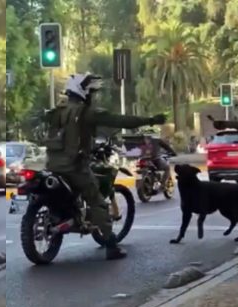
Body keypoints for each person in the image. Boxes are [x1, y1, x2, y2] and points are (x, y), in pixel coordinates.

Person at [44, 72, 167, 260]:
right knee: (98, 202)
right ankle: (111, 246)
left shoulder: (56, 112)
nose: (93, 97)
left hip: (52, 165)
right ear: (83, 92)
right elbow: (120, 120)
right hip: (74, 167)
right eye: (92, 93)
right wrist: (150, 120)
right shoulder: (86, 113)